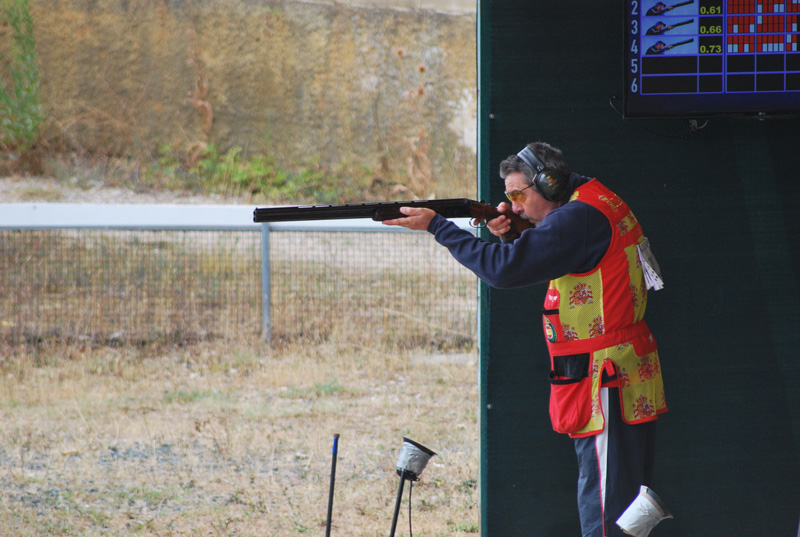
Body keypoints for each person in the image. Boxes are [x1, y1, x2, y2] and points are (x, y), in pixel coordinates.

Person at [382, 142, 670, 537]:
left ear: (549, 185)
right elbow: (562, 257)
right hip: (623, 371)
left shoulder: (576, 218)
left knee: (605, 506)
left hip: (606, 378)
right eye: (509, 197)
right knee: (625, 503)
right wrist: (517, 232)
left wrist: (438, 227)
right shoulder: (594, 199)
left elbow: (503, 270)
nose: (514, 206)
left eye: (519, 195)